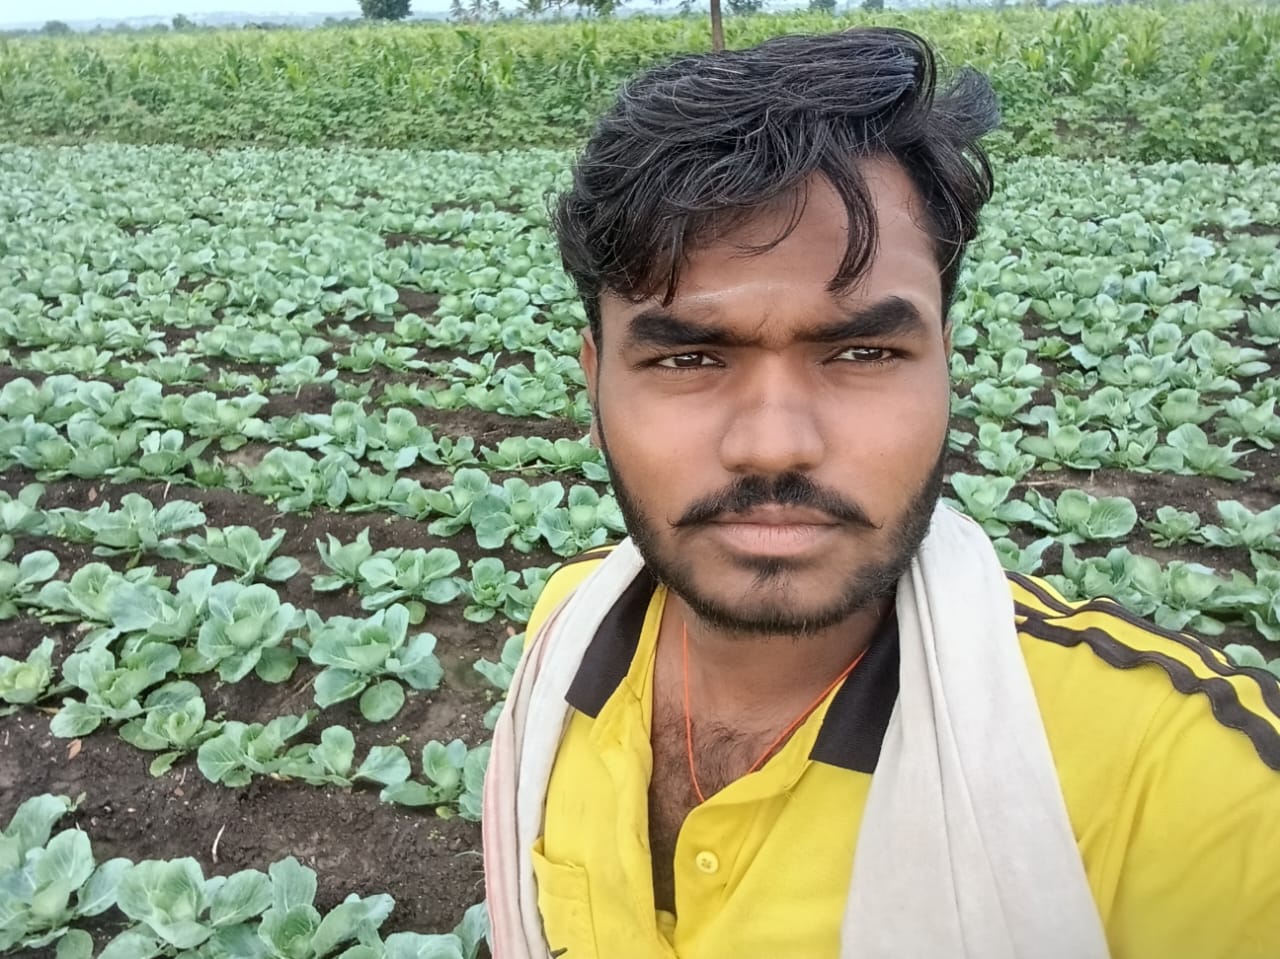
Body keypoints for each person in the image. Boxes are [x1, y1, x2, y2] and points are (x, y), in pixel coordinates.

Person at [482, 27, 1280, 959]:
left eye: (863, 352)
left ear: (948, 363)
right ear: (595, 381)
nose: (774, 442)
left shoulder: (1179, 777)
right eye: (689, 357)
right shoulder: (565, 633)